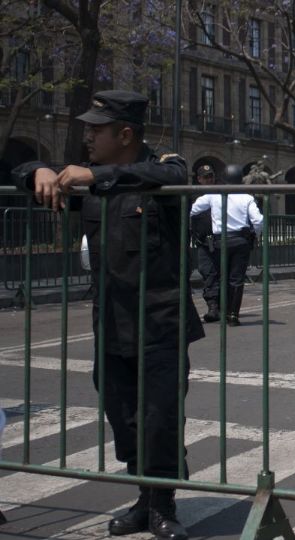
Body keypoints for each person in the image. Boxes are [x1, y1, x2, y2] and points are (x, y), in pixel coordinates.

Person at [13, 90, 202, 540]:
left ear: (125, 134)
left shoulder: (163, 176)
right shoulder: (91, 190)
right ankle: (142, 497)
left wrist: (97, 174)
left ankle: (163, 504)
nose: (88, 138)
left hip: (160, 323)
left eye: (97, 130)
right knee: (123, 415)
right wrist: (36, 170)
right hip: (111, 324)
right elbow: (25, 175)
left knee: (160, 418)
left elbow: (172, 172)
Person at [190, 177, 263, 326]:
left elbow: (193, 209)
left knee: (221, 276)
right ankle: (233, 315)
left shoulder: (214, 194)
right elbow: (258, 220)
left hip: (220, 241)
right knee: (236, 279)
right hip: (241, 241)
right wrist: (256, 234)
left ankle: (221, 311)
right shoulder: (247, 197)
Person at [191, 165, 219, 322]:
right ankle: (212, 306)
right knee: (207, 272)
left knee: (221, 273)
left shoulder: (220, 193)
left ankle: (224, 306)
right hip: (203, 241)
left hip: (221, 241)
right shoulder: (194, 195)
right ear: (199, 179)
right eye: (206, 177)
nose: (209, 179)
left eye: (211, 176)